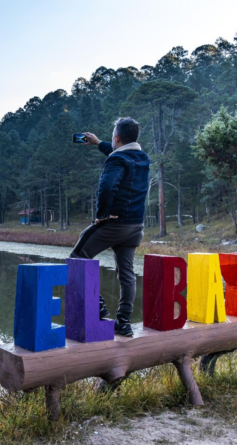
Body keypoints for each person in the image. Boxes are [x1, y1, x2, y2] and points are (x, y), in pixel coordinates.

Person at [71, 117, 150, 337]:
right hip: (136, 226)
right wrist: (98, 143)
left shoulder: (116, 160)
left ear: (117, 137)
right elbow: (120, 155)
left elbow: (106, 187)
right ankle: (123, 323)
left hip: (115, 223)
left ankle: (99, 307)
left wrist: (102, 217)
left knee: (77, 258)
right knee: (127, 274)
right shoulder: (142, 158)